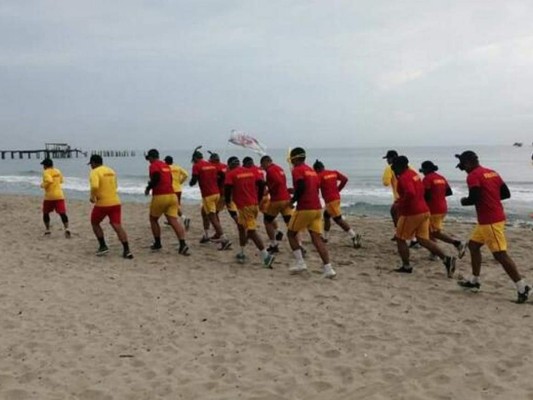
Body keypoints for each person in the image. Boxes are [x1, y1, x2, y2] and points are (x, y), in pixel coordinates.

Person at [455, 150, 530, 303]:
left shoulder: (473, 176)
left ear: (469, 163)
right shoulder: (492, 172)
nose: (463, 169)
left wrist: (464, 201)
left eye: (463, 166)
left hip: (490, 221)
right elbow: (506, 194)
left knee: (500, 255)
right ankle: (474, 281)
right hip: (490, 219)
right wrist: (491, 199)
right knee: (473, 246)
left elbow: (474, 198)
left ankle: (523, 287)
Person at [391, 156, 456, 277]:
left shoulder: (404, 178)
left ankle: (406, 266)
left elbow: (410, 193)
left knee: (400, 239)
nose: (393, 169)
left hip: (411, 213)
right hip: (425, 211)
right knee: (423, 239)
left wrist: (400, 204)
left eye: (394, 166)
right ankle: (446, 259)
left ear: (399, 166)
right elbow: (420, 191)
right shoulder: (414, 174)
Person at [286, 147, 336, 278]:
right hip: (317, 208)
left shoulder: (297, 170)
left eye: (292, 159)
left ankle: (300, 262)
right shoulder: (311, 171)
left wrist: (293, 200)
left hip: (305, 208)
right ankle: (328, 268)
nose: (291, 162)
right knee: (316, 238)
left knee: (291, 234)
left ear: (296, 158)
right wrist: (295, 190)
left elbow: (301, 186)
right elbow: (311, 187)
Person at [224, 156, 275, 268]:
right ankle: (242, 253)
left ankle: (266, 256)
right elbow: (262, 183)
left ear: (230, 165)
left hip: (244, 207)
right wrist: (259, 197)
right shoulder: (250, 171)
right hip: (254, 204)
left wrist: (227, 201)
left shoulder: (231, 174)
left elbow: (227, 189)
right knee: (241, 228)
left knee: (251, 232)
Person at [145, 149, 190, 255]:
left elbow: (156, 176)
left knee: (153, 219)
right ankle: (183, 244)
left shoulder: (154, 165)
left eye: (149, 158)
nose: (148, 161)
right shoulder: (166, 165)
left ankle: (157, 243)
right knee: (173, 220)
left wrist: (149, 187)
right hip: (172, 195)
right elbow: (169, 179)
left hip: (161, 195)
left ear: (151, 157)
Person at [88, 154, 133, 259]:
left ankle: (103, 246)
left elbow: (95, 186)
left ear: (94, 163)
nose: (91, 166)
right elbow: (115, 185)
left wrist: (92, 197)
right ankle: (127, 250)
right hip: (116, 202)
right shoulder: (111, 171)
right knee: (117, 225)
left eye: (91, 164)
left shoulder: (94, 172)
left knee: (95, 223)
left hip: (102, 203)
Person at [419, 161, 466, 259]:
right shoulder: (441, 178)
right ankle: (433, 252)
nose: (422, 172)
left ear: (426, 169)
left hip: (433, 209)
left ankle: (457, 243)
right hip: (443, 207)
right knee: (430, 231)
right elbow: (449, 192)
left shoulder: (427, 178)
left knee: (433, 233)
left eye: (423, 170)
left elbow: (426, 195)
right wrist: (438, 195)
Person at [313, 160, 361, 248]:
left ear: (316, 170)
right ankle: (325, 237)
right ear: (323, 167)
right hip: (337, 198)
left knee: (338, 220)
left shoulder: (319, 175)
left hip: (330, 201)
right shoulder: (333, 172)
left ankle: (354, 236)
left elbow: (315, 187)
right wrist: (338, 189)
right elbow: (345, 179)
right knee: (326, 215)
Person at [190, 149, 231, 250]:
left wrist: (191, 183)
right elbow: (222, 175)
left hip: (208, 195)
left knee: (212, 217)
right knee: (204, 212)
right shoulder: (211, 165)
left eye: (193, 160)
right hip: (216, 193)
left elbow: (194, 179)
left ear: (195, 158)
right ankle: (206, 235)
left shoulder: (196, 165)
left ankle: (224, 238)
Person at [260, 155, 294, 253]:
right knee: (290, 223)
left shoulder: (270, 170)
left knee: (267, 221)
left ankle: (273, 244)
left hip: (277, 200)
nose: (263, 167)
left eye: (263, 165)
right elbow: (281, 181)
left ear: (267, 162)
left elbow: (277, 182)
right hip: (286, 199)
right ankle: (299, 246)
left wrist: (269, 190)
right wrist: (267, 184)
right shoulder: (279, 168)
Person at [40, 158, 70, 238]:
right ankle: (67, 228)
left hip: (49, 196)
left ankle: (47, 230)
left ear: (45, 165)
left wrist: (43, 185)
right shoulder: (58, 171)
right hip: (59, 195)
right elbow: (61, 181)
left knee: (45, 213)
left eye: (43, 165)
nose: (43, 167)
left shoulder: (46, 172)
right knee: (62, 213)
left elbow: (49, 180)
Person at [164, 155, 191, 230]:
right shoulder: (177, 167)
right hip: (178, 189)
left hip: (170, 190)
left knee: (170, 206)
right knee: (175, 205)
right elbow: (186, 174)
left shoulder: (166, 168)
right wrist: (180, 182)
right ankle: (171, 220)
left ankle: (184, 218)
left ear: (166, 162)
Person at [382, 150, 400, 227]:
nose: (387, 161)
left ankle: (399, 233)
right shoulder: (409, 166)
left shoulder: (389, 168)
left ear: (392, 158)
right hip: (413, 197)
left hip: (399, 198)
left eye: (388, 159)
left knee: (395, 214)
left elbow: (386, 183)